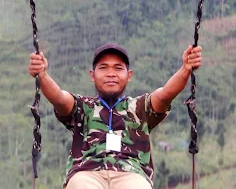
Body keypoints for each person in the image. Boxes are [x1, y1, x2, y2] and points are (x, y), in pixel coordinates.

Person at [28, 43, 202, 189]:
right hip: (87, 173)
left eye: (118, 68)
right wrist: (42, 75)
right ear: (92, 75)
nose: (111, 73)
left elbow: (164, 95)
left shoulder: (140, 107)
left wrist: (186, 69)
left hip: (131, 173)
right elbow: (58, 98)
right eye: (103, 68)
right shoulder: (82, 107)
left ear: (129, 76)